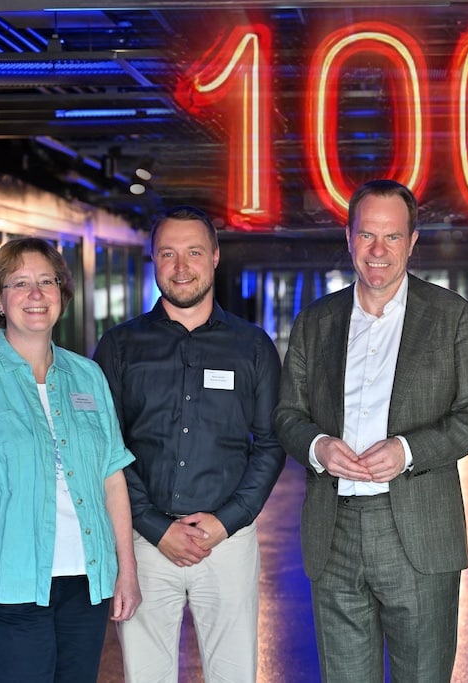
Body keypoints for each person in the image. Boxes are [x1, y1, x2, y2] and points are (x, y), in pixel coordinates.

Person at [272, 179, 468, 682]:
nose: (378, 251)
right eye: (367, 236)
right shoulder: (316, 321)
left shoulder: (452, 316)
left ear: (412, 241)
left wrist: (408, 450)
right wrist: (316, 446)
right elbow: (287, 415)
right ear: (349, 237)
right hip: (334, 532)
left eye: (392, 237)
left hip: (417, 533)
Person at [0, 237, 140, 683]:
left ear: (61, 294)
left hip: (85, 583)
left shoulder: (87, 376)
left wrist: (126, 572)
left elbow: (111, 478)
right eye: (19, 284)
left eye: (46, 282)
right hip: (5, 588)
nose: (35, 295)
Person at [93, 205, 285, 683]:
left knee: (233, 675)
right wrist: (155, 527)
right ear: (153, 261)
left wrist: (226, 522)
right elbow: (104, 447)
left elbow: (271, 443)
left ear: (215, 257)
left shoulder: (253, 347)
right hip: (142, 544)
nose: (181, 267)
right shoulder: (119, 347)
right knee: (146, 675)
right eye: (168, 254)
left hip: (227, 543)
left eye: (194, 252)